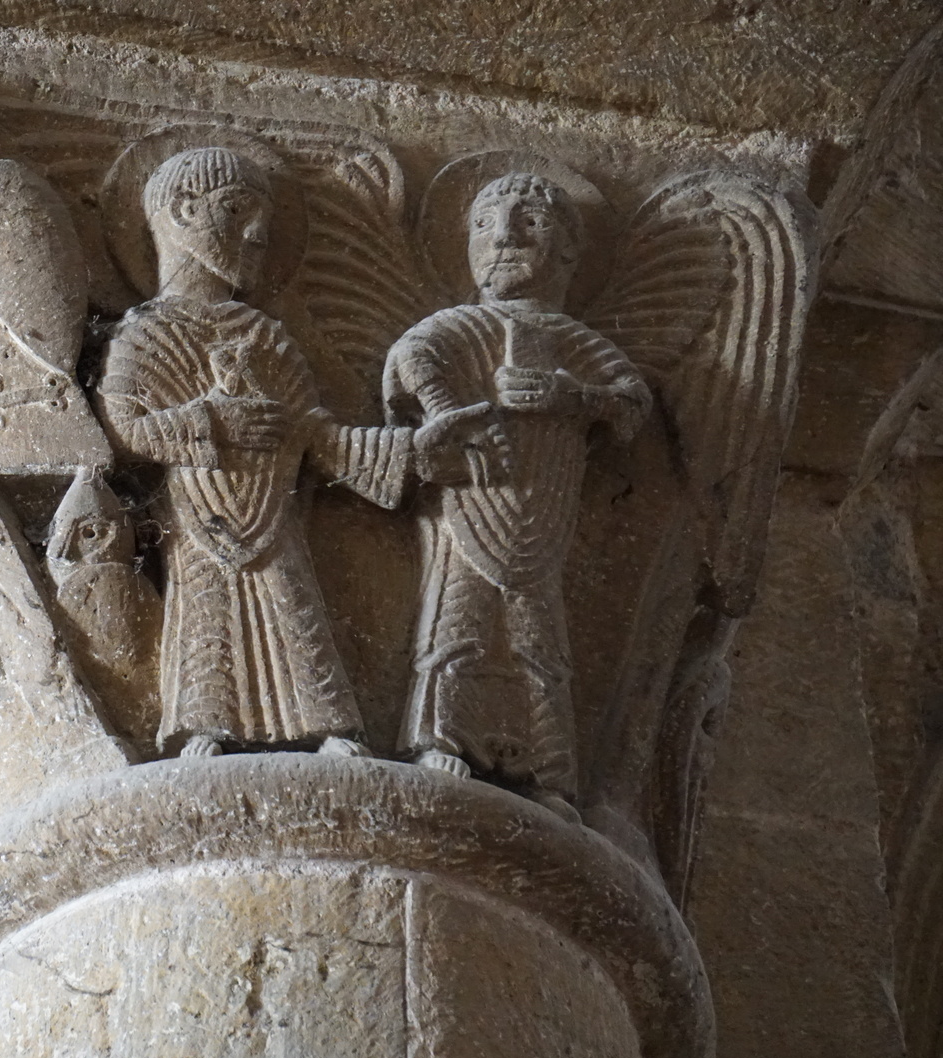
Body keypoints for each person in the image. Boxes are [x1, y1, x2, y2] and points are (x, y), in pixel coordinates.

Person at [96, 146, 414, 758]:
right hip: (196, 510)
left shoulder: (265, 334)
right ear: (186, 213)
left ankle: (328, 728)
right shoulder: (146, 330)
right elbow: (125, 428)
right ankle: (204, 727)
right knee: (207, 608)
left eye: (262, 215)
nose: (259, 231)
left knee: (291, 604)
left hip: (271, 503)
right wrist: (211, 420)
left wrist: (397, 454)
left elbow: (313, 429)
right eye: (237, 208)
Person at [383, 172, 650, 810]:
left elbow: (632, 402)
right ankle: (438, 740)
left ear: (567, 252)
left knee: (539, 641)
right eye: (483, 223)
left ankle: (549, 775)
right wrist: (447, 408)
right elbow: (408, 358)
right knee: (456, 624)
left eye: (529, 221)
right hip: (469, 507)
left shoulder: (576, 342)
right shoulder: (457, 325)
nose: (503, 235)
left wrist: (573, 396)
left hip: (545, 510)